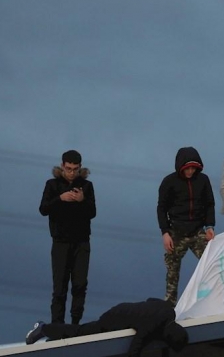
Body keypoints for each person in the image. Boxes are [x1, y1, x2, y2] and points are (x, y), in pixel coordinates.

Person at [39, 150, 96, 325]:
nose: (72, 172)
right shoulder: (52, 185)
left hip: (81, 242)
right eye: (69, 168)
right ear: (63, 166)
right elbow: (43, 209)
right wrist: (60, 198)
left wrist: (81, 200)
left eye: (75, 169)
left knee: (79, 285)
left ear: (80, 168)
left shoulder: (87, 186)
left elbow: (92, 212)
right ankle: (57, 325)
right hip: (60, 242)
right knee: (60, 288)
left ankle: (75, 324)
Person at [25, 298, 188, 357]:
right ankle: (44, 328)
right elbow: (135, 348)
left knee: (83, 331)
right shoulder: (152, 327)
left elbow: (151, 299)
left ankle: (54, 335)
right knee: (83, 333)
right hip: (115, 318)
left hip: (125, 308)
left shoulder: (169, 311)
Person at [157, 146, 216, 306]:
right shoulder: (169, 182)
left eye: (193, 168)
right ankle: (169, 304)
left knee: (212, 262)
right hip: (176, 232)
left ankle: (213, 297)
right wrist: (165, 233)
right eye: (187, 168)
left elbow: (209, 203)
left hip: (198, 231)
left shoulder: (203, 180)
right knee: (172, 270)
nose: (190, 171)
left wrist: (210, 226)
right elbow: (161, 208)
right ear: (180, 167)